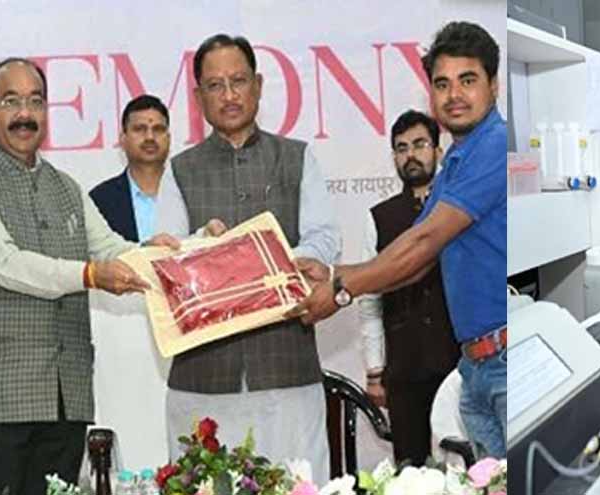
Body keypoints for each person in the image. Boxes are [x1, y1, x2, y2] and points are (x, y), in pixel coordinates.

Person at [0, 57, 178, 495]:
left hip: (64, 398)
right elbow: (8, 265)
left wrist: (181, 250)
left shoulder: (67, 188)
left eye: (36, 101)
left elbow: (111, 248)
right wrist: (90, 274)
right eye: (11, 101)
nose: (25, 114)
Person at [290, 21, 506, 458]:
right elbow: (415, 254)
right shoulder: (458, 160)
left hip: (502, 362)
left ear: (494, 86)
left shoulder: (494, 145)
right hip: (477, 365)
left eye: (468, 80)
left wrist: (341, 290)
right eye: (442, 84)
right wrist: (332, 272)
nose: (454, 95)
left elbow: (423, 244)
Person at [158, 34, 340, 482]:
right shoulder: (179, 169)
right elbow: (169, 257)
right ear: (198, 97)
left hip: (286, 366)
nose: (229, 95)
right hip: (203, 377)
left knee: (298, 485)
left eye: (238, 81)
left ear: (257, 86)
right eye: (215, 85)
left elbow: (323, 239)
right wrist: (203, 246)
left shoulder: (297, 157)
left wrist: (258, 264)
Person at [358, 109, 461, 465]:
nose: (411, 155)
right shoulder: (379, 217)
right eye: (402, 148)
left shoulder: (458, 210)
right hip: (404, 369)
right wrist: (375, 371)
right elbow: (369, 300)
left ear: (438, 150)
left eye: (419, 145)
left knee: (465, 469)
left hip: (458, 362)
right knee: (410, 473)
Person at [91, 95, 174, 242]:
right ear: (123, 139)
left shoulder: (189, 190)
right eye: (140, 129)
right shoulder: (100, 200)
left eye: (158, 129)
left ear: (168, 138)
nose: (150, 137)